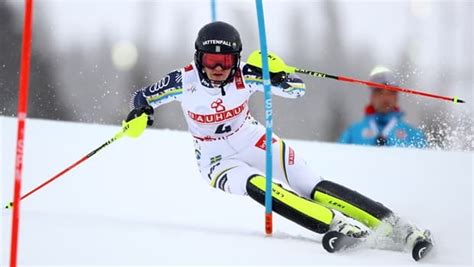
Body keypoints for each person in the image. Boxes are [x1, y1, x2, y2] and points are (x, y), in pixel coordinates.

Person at [125, 21, 431, 258]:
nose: (219, 69)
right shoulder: (184, 81)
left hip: (252, 139)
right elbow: (143, 97)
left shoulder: (246, 74)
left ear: (237, 59)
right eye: (211, 60)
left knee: (313, 185)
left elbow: (297, 89)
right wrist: (140, 113)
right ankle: (334, 224)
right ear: (198, 58)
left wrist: (277, 75)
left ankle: (395, 225)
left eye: (226, 61)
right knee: (258, 186)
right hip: (216, 160)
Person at [339, 66, 427, 148]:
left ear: (396, 97)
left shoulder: (412, 134)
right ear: (372, 97)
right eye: (379, 92)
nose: (385, 98)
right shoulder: (353, 132)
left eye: (390, 93)